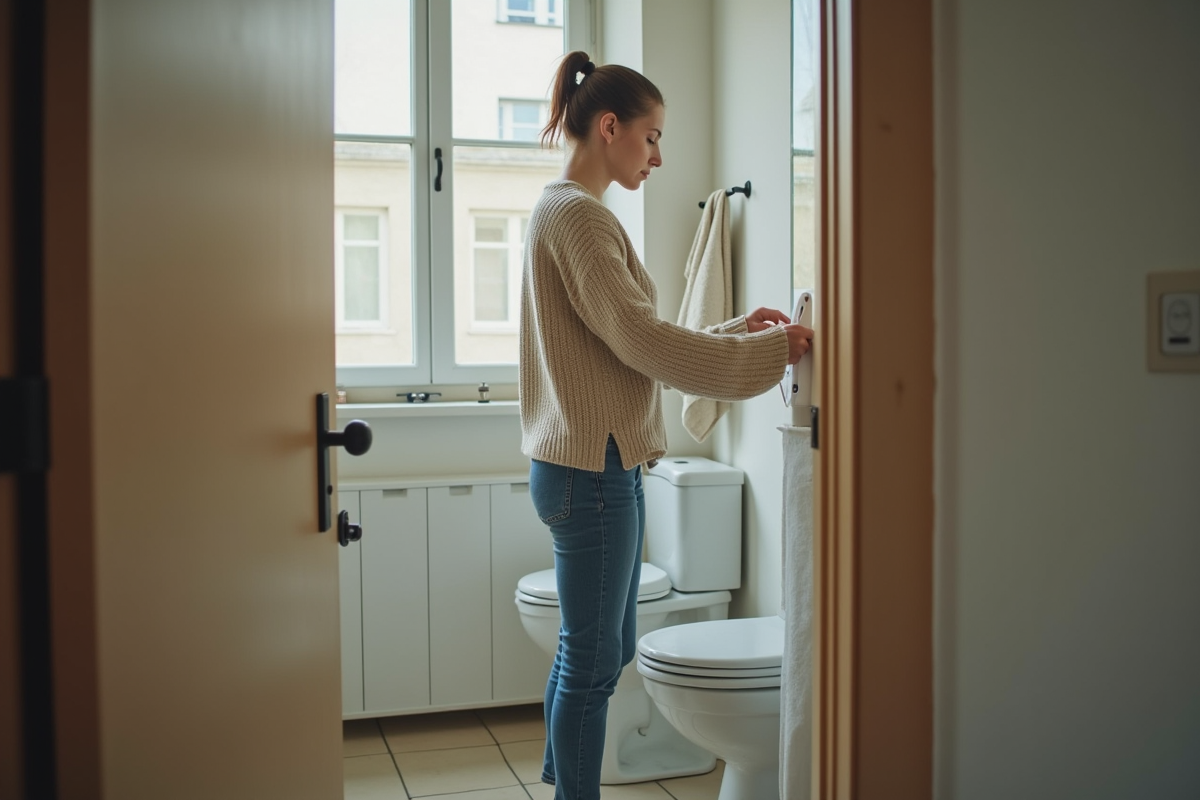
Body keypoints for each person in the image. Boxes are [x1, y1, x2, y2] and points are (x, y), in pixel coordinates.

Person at [520, 51, 813, 800]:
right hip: (594, 471)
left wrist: (735, 328)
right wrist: (767, 354)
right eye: (651, 137)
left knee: (597, 650)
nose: (659, 155)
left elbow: (626, 340)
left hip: (585, 463)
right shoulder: (579, 217)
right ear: (610, 127)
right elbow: (645, 342)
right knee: (592, 663)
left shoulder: (563, 210)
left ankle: (561, 780)